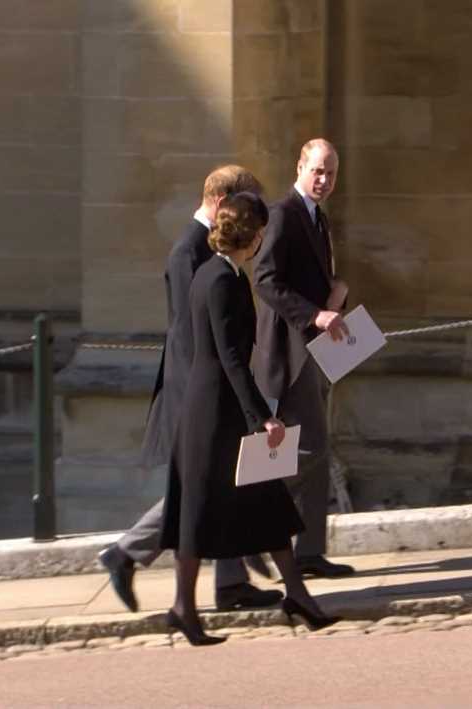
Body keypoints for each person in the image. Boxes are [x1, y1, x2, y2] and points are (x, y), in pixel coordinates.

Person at [98, 166, 281, 615]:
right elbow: (191, 334)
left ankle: (231, 582)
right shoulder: (189, 252)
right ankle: (127, 553)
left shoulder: (208, 248)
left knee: (227, 480)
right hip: (198, 390)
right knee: (201, 488)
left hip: (219, 386)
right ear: (222, 203)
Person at [161, 192, 340, 645]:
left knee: (268, 501)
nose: (263, 239)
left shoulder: (219, 273)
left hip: (223, 408)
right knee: (197, 513)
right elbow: (230, 359)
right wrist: (262, 417)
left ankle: (296, 595)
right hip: (215, 414)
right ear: (252, 233)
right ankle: (185, 606)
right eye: (260, 232)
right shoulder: (221, 280)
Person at [253, 138, 354, 578]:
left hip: (315, 349)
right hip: (288, 352)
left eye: (330, 173)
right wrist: (316, 314)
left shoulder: (318, 217)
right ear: (299, 166)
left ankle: (310, 552)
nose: (324, 180)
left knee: (315, 448)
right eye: (316, 171)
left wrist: (335, 299)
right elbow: (266, 280)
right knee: (305, 449)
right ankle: (250, 520)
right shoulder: (282, 214)